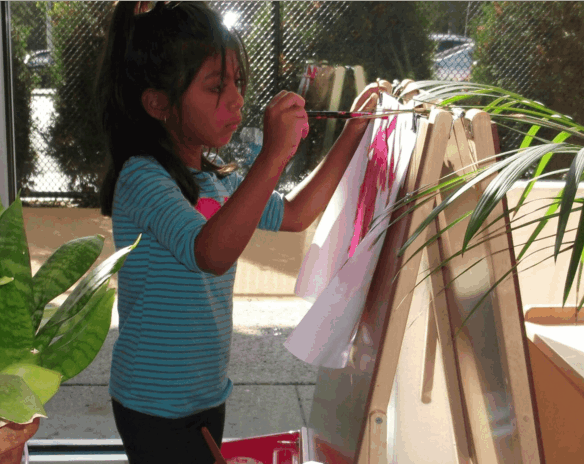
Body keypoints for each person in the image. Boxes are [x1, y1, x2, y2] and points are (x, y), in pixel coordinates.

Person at [96, 2, 377, 462]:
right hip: (153, 403)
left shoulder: (218, 180)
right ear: (158, 103)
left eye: (238, 84)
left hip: (206, 394)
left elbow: (295, 212)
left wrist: (354, 133)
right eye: (215, 88)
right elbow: (210, 252)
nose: (237, 101)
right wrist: (271, 157)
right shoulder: (142, 179)